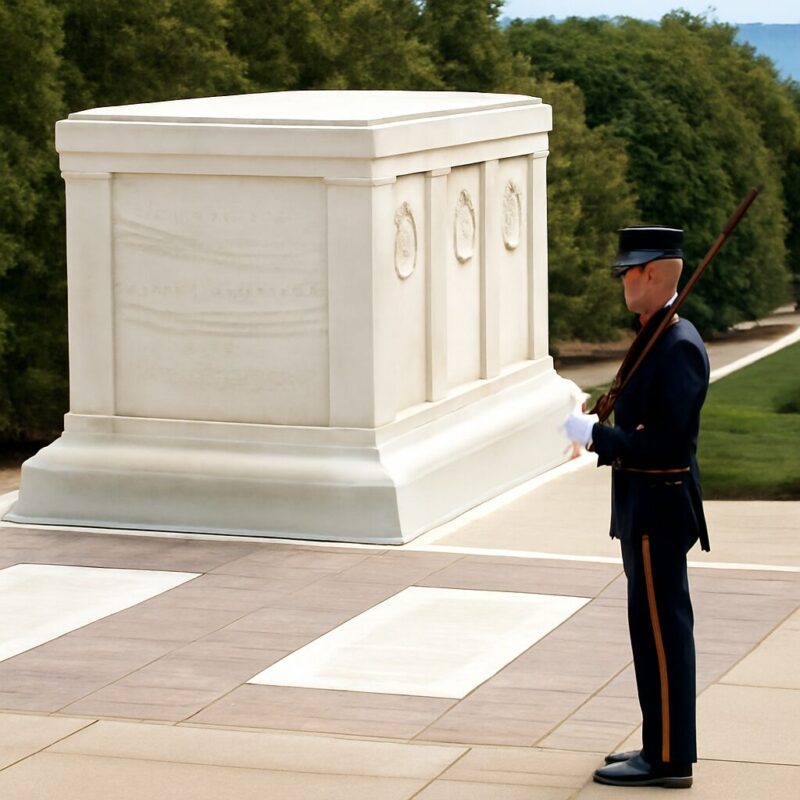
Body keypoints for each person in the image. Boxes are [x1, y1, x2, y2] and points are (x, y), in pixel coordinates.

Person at [564, 225, 710, 790]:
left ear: (655, 274)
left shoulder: (677, 346)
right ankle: (660, 742)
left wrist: (595, 434)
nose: (624, 280)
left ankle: (669, 758)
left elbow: (666, 446)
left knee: (662, 632)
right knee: (650, 635)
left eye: (631, 271)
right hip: (643, 508)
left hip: (659, 510)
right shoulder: (653, 334)